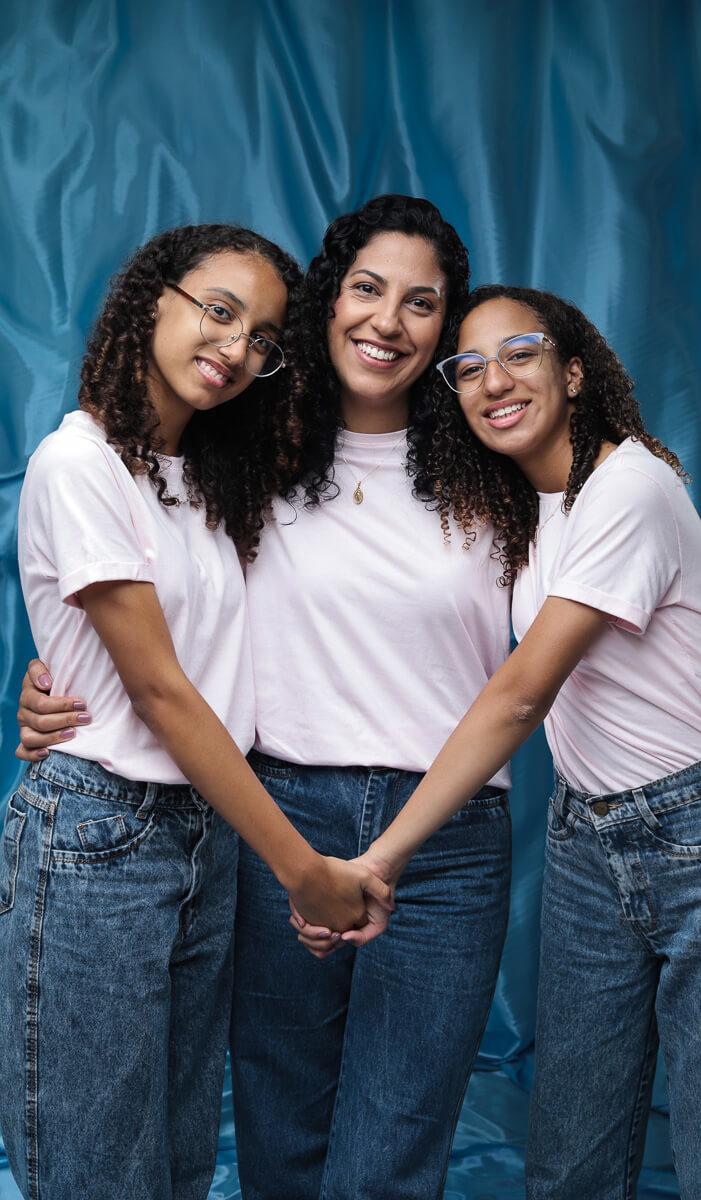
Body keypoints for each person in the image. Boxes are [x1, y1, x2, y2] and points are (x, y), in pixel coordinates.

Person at [14, 211, 701, 1200]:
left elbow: (605, 598)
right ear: (326, 304)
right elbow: (157, 599)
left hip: (445, 842)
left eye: (421, 303)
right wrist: (62, 680)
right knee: (279, 1145)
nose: (388, 320)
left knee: (394, 1152)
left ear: (445, 335)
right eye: (366, 289)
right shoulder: (246, 457)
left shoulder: (493, 459)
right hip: (276, 817)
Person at [328, 285, 701, 1200]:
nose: (493, 381)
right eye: (468, 367)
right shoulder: (524, 507)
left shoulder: (629, 486)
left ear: (575, 372)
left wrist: (379, 859)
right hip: (588, 847)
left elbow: (519, 697)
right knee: (569, 1161)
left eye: (520, 354)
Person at [0, 224, 392, 1200]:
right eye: (219, 311)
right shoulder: (79, 463)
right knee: (95, 1169)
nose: (236, 347)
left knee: (178, 1163)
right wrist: (302, 870)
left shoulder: (210, 479)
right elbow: (161, 691)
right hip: (100, 838)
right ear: (151, 300)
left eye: (262, 338)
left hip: (202, 839)